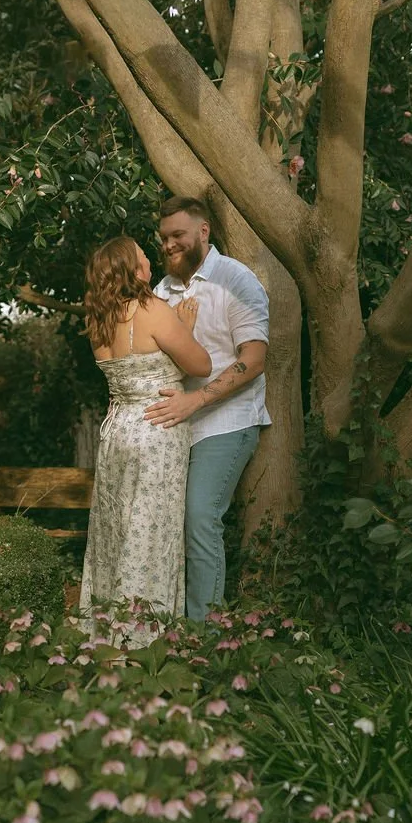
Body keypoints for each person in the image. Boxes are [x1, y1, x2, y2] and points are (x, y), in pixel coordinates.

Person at [78, 235, 210, 635]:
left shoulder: (95, 317)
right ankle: (141, 638)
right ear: (132, 270)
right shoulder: (155, 309)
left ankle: (104, 631)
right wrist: (184, 327)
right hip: (156, 431)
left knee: (116, 533)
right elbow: (200, 365)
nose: (148, 257)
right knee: (151, 536)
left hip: (117, 432)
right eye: (141, 254)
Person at [146, 196, 269, 621]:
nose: (169, 245)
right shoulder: (160, 291)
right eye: (163, 238)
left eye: (177, 235)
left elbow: (253, 359)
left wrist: (195, 400)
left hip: (226, 420)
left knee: (200, 517)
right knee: (160, 520)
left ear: (203, 231)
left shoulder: (237, 280)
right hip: (174, 424)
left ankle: (205, 639)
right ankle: (161, 625)